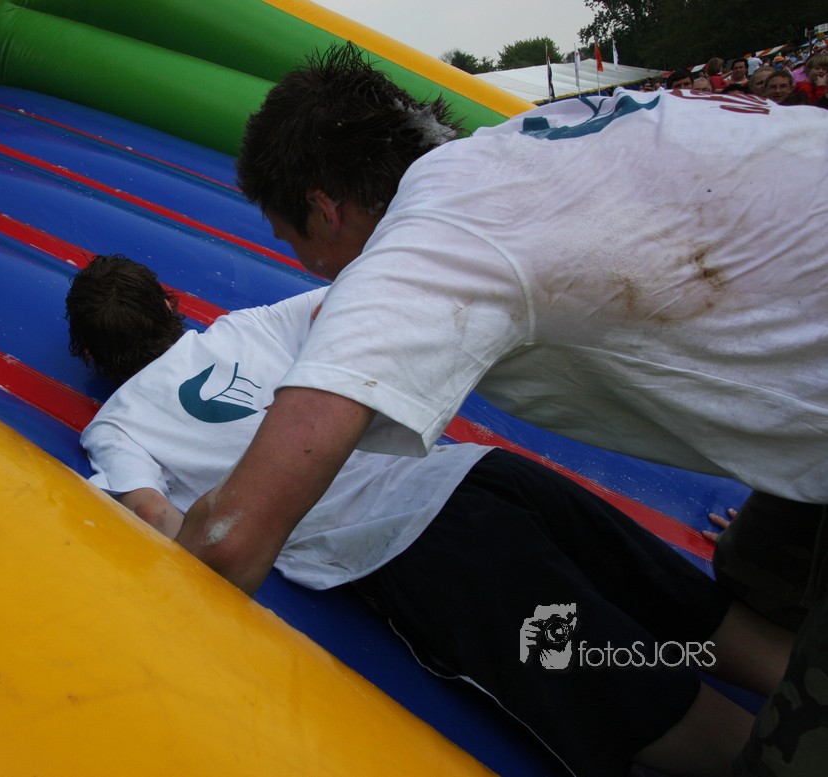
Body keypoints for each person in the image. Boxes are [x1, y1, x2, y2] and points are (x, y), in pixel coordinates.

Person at [185, 43, 828, 775]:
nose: (311, 269)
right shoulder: (514, 147)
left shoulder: (427, 239)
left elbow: (231, 539)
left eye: (292, 240)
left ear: (325, 209)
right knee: (763, 574)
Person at [67, 254, 793, 777]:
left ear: (90, 354)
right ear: (170, 305)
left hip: (420, 547)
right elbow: (362, 299)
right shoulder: (247, 327)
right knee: (688, 610)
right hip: (485, 477)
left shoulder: (117, 426)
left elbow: (157, 520)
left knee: (645, 706)